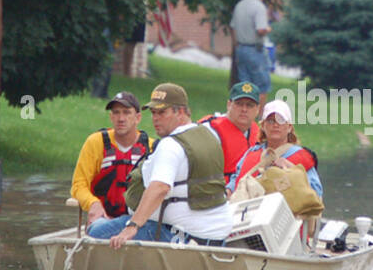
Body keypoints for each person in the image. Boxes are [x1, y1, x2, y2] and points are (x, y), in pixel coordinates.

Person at [89, 83, 233, 247]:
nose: (155, 118)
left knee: (96, 231)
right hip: (217, 234)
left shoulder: (171, 145)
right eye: (153, 112)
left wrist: (132, 226)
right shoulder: (208, 135)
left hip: (182, 236)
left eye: (162, 112)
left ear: (180, 112)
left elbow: (160, 188)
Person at [70, 91, 151, 223]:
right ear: (111, 117)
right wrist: (93, 203)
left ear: (138, 118)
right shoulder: (95, 142)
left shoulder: (151, 147)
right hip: (103, 220)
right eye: (116, 112)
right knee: (99, 226)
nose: (121, 118)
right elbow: (78, 185)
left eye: (126, 112)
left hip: (139, 221)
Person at [228, 99, 323, 198]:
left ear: (289, 127)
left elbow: (316, 193)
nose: (275, 124)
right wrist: (228, 190)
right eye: (270, 120)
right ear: (263, 126)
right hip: (251, 210)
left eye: (281, 120)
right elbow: (235, 182)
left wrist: (292, 170)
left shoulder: (301, 156)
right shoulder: (251, 153)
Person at [198, 82, 262, 187]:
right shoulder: (210, 130)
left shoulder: (260, 133)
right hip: (216, 195)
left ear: (257, 109)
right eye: (239, 104)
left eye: (250, 105)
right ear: (229, 105)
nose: (244, 109)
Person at [230, 0, 273, 108]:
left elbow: (232, 27)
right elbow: (260, 30)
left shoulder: (240, 4)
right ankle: (258, 119)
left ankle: (242, 115)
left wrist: (236, 45)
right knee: (261, 85)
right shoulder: (259, 7)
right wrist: (268, 29)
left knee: (244, 87)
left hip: (240, 49)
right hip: (255, 51)